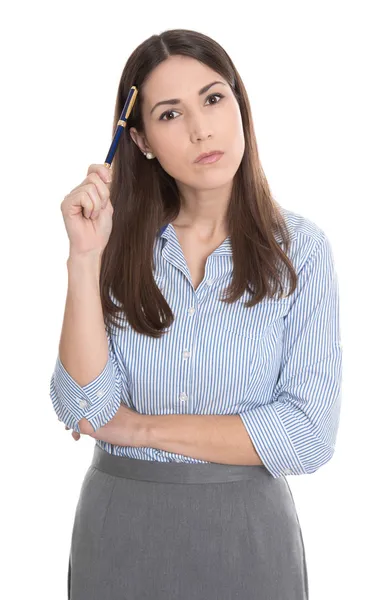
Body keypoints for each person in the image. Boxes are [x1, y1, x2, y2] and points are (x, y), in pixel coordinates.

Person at [50, 28, 342, 600]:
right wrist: (84, 261)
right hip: (119, 532)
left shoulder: (300, 250)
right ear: (140, 142)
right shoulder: (112, 246)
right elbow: (83, 405)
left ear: (240, 105)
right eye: (169, 114)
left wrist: (138, 428)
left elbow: (308, 435)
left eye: (213, 99)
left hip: (249, 538)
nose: (200, 128)